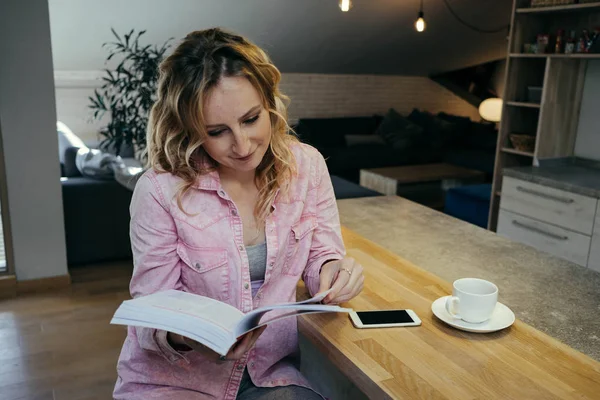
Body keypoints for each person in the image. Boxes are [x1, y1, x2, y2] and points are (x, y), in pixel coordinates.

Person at [113, 27, 364, 400]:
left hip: (271, 371)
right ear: (192, 129)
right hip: (177, 379)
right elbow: (152, 313)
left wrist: (335, 274)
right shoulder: (160, 191)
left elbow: (321, 256)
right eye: (217, 131)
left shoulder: (307, 166)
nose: (243, 145)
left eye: (250, 119)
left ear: (269, 101)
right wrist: (193, 337)